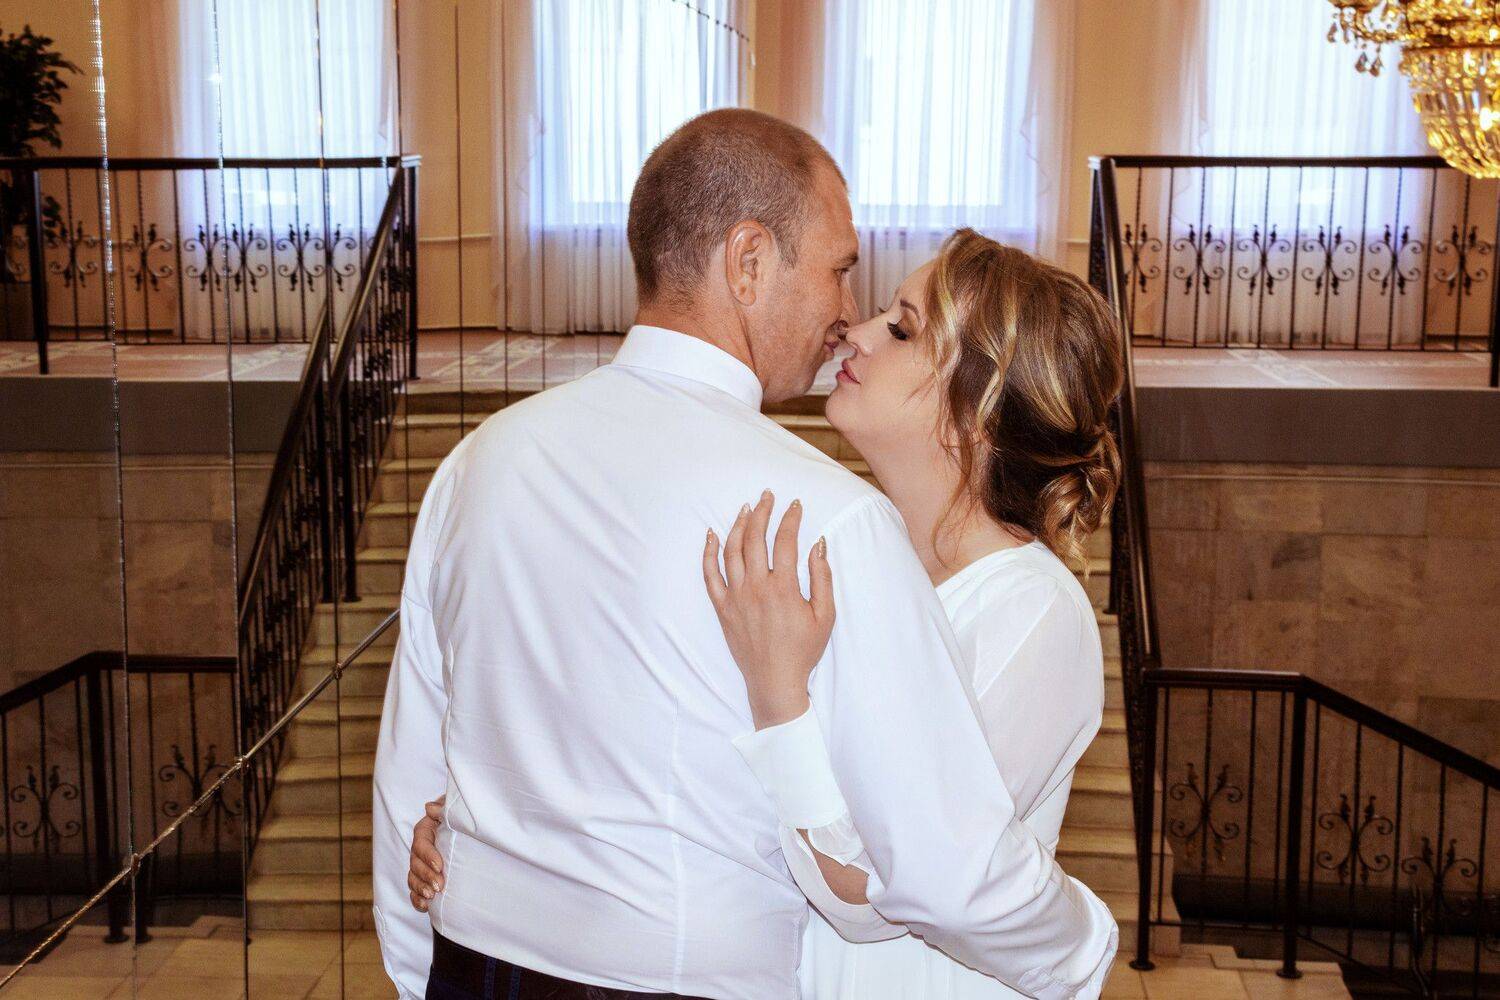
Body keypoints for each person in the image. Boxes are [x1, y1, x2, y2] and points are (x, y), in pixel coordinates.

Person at [373, 108, 1117, 1000]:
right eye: (843, 273)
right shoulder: (827, 521)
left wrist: (433, 936)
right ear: (749, 262)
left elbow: (914, 875)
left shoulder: (477, 462)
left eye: (899, 326)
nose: (851, 321)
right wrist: (457, 833)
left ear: (978, 408)